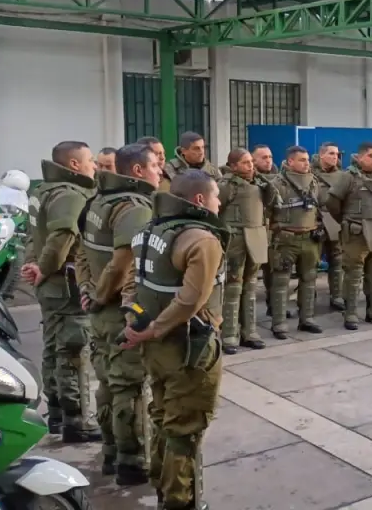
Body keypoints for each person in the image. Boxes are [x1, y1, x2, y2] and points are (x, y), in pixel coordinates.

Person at [120, 169, 227, 510]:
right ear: (199, 200)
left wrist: (135, 320)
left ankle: (162, 488)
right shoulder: (202, 240)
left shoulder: (148, 232)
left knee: (164, 418)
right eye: (215, 196)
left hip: (156, 351)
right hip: (188, 350)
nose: (219, 202)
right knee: (185, 430)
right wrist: (155, 328)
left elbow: (133, 287)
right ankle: (181, 501)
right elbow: (191, 300)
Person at [76, 143, 159, 483]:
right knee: (129, 386)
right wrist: (97, 295)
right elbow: (122, 264)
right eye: (155, 164)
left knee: (107, 382)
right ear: (137, 171)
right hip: (117, 309)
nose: (160, 171)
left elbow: (82, 251)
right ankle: (132, 461)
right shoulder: (134, 208)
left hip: (98, 309)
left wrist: (85, 289)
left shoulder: (98, 200)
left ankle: (110, 451)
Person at [20, 141, 101, 442]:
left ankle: (55, 412)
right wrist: (43, 267)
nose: (94, 165)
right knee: (73, 351)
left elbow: (32, 234)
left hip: (49, 286)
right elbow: (63, 235)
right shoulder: (69, 194)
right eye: (90, 160)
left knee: (53, 346)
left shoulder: (41, 191)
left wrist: (34, 265)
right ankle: (77, 421)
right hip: (66, 284)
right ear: (74, 165)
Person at [327, 142, 372, 330]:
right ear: (360, 157)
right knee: (353, 275)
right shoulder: (348, 177)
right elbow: (332, 203)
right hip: (356, 233)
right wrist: (346, 220)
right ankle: (351, 313)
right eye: (371, 156)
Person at [218, 147, 276, 354]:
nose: (250, 166)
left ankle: (249, 332)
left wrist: (265, 182)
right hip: (235, 240)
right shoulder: (226, 185)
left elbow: (273, 203)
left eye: (251, 161)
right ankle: (229, 335)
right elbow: (216, 209)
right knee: (233, 287)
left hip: (257, 237)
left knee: (250, 286)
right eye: (245, 163)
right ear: (233, 166)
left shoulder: (259, 183)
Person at [266, 146, 324, 338]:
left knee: (309, 280)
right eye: (301, 160)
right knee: (281, 282)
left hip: (310, 239)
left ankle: (307, 318)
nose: (306, 163)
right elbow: (267, 213)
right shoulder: (276, 184)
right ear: (290, 162)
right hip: (285, 240)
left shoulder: (314, 182)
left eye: (307, 159)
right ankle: (279, 323)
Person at [251, 144, 285, 319]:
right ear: (253, 160)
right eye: (263, 157)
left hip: (272, 232)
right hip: (251, 232)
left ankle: (275, 306)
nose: (268, 160)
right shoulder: (248, 180)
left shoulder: (279, 179)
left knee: (274, 272)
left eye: (270, 157)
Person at [313, 142, 346, 311]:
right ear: (322, 155)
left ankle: (337, 295)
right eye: (331, 154)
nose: (335, 157)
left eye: (337, 154)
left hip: (335, 220)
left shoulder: (342, 175)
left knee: (337, 260)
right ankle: (309, 297)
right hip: (315, 222)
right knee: (312, 263)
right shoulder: (310, 173)